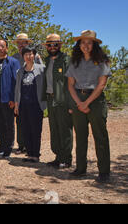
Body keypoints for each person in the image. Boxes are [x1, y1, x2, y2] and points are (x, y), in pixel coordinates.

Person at [66, 30, 111, 183]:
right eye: (82, 42)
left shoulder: (102, 61)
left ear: (94, 45)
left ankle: (104, 172)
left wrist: (87, 102)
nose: (85, 45)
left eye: (89, 42)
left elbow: (101, 85)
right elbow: (70, 85)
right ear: (79, 45)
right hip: (77, 99)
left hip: (96, 101)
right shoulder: (74, 62)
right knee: (80, 136)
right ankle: (80, 168)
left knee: (100, 136)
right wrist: (79, 103)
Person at [42, 34, 73, 169]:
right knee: (54, 129)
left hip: (63, 100)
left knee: (65, 129)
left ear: (60, 45)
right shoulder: (47, 60)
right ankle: (58, 157)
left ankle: (66, 159)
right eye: (49, 45)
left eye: (55, 44)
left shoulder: (67, 60)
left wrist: (71, 104)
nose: (52, 47)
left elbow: (71, 83)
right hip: (50, 98)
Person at [11, 33, 43, 155]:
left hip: (34, 96)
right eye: (19, 43)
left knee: (34, 125)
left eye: (23, 43)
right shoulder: (14, 58)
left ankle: (34, 150)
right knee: (20, 122)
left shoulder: (36, 57)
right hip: (20, 93)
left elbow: (42, 75)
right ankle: (21, 145)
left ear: (27, 44)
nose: (21, 45)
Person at [14, 46, 46, 163]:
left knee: (36, 130)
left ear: (34, 55)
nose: (28, 56)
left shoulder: (41, 69)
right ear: (23, 57)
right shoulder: (20, 72)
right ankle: (30, 153)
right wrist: (16, 105)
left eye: (31, 54)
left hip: (36, 105)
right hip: (23, 105)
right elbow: (17, 89)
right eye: (26, 54)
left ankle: (36, 154)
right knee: (26, 129)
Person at [0, 40, 20, 159]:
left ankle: (9, 147)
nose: (0, 48)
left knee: (9, 124)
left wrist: (14, 99)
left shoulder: (13, 62)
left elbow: (17, 81)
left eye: (2, 46)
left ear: (7, 48)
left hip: (8, 98)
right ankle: (2, 145)